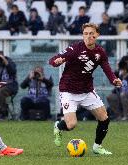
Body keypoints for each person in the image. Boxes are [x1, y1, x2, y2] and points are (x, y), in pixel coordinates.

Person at [49, 23, 122, 155]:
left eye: (91, 33)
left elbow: (106, 67)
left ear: (97, 35)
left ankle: (97, 146)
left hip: (86, 90)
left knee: (104, 118)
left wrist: (113, 80)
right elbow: (53, 60)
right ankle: (59, 126)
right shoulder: (75, 49)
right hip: (68, 91)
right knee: (71, 125)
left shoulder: (100, 52)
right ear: (83, 35)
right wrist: (57, 62)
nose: (88, 36)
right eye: (86, 34)